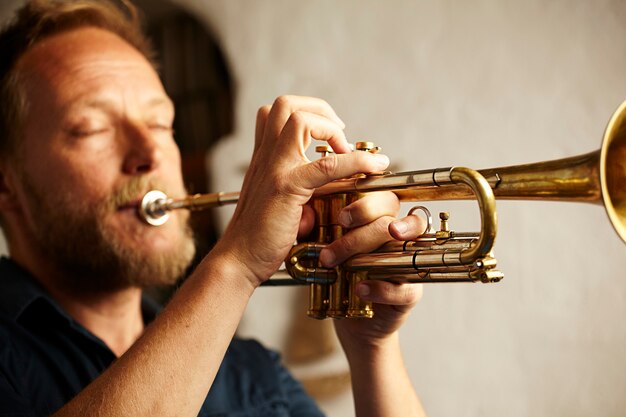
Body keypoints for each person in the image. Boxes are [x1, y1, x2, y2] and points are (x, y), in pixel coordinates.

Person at [0, 1, 426, 416]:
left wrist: (373, 347)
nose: (150, 152)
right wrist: (237, 263)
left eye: (160, 124)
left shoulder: (253, 372)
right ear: (7, 181)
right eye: (91, 128)